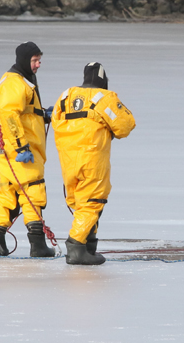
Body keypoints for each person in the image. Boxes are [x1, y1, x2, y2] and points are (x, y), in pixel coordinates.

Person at [50, 62, 136, 265]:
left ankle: (88, 245)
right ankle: (76, 246)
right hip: (92, 159)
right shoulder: (104, 98)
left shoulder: (66, 95)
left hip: (68, 160)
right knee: (93, 201)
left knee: (79, 203)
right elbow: (126, 125)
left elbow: (55, 119)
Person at [0, 41, 55, 257]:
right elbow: (9, 115)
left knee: (8, 192)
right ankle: (37, 244)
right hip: (20, 151)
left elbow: (23, 112)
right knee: (33, 190)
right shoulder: (14, 83)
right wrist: (21, 146)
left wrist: (41, 114)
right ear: (25, 61)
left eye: (39, 60)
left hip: (10, 150)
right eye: (35, 61)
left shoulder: (22, 81)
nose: (38, 65)